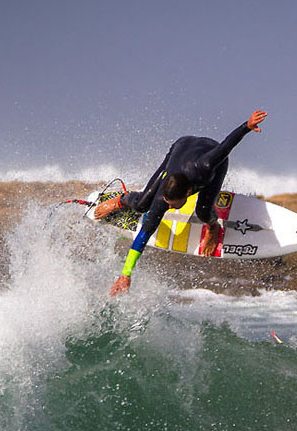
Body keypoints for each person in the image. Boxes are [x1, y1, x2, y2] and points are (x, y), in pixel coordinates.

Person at [101, 109, 269, 296]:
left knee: (204, 211)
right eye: (168, 203)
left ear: (189, 192)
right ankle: (121, 200)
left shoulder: (206, 166)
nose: (170, 208)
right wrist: (126, 274)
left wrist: (247, 126)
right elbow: (146, 232)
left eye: (173, 204)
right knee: (143, 204)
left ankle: (213, 228)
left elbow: (225, 147)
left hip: (211, 158)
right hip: (180, 147)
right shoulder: (165, 195)